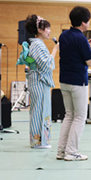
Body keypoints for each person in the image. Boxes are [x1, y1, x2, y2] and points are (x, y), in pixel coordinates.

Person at [57, 6, 91, 161]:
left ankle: (62, 151)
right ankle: (71, 152)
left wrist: (87, 47)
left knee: (69, 115)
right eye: (88, 21)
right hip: (77, 82)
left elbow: (74, 53)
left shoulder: (63, 35)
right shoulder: (81, 38)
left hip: (64, 81)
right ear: (84, 22)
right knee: (80, 116)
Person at [22, 14, 59, 149]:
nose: (49, 31)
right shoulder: (37, 44)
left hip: (38, 80)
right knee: (39, 109)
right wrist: (55, 50)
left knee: (38, 109)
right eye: (47, 28)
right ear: (39, 30)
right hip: (39, 80)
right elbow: (46, 65)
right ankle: (39, 141)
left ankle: (39, 140)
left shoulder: (36, 44)